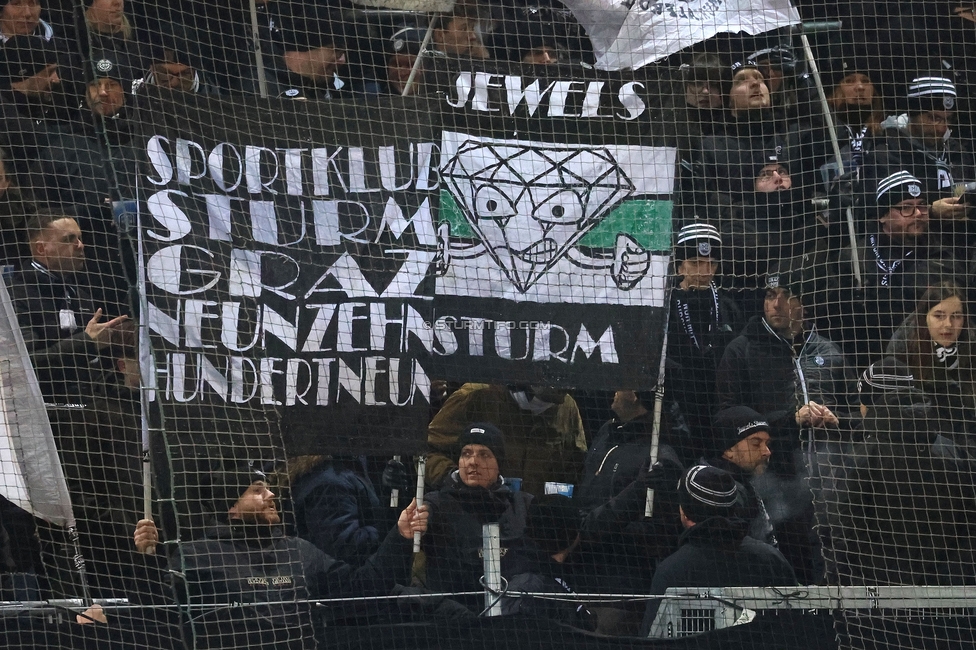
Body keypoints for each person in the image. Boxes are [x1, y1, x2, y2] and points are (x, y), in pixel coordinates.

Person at [133, 462, 428, 648]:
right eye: (257, 491)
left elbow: (364, 587)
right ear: (231, 508)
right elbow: (157, 612)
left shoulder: (298, 549)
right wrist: (147, 558)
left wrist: (398, 537)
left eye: (269, 489)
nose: (271, 495)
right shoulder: (196, 555)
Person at [638, 464, 796, 637]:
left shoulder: (671, 570)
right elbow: (794, 624)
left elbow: (653, 638)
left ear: (684, 511)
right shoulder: (772, 559)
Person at [574, 390, 684, 634]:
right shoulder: (607, 432)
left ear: (634, 395)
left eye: (622, 386)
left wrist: (604, 531)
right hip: (580, 577)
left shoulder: (660, 458)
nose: (614, 391)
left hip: (621, 592)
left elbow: (662, 532)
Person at [833, 170, 960, 369]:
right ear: (883, 215)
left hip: (930, 364)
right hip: (870, 364)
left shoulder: (943, 256)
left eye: (922, 207)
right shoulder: (854, 257)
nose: (918, 214)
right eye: (906, 208)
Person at [420, 423, 542, 613]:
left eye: (484, 454)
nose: (472, 462)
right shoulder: (436, 504)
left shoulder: (523, 505)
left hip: (513, 622)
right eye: (466, 453)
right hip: (454, 621)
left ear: (499, 463)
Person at [7, 211, 128, 400]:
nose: (81, 245)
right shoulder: (15, 296)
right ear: (41, 249)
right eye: (69, 239)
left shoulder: (80, 293)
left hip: (88, 405)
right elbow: (24, 364)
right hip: (43, 410)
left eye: (80, 237)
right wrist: (87, 343)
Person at [425, 383, 587, 498]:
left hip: (538, 527)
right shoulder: (476, 395)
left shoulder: (567, 407)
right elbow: (426, 449)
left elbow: (576, 466)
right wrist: (455, 479)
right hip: (474, 512)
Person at [665, 222, 742, 458]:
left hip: (719, 405)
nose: (705, 270)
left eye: (711, 263)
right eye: (696, 263)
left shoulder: (727, 306)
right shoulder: (664, 307)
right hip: (678, 406)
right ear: (680, 267)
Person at [863, 75, 976, 226]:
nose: (942, 128)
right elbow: (876, 215)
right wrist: (930, 212)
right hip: (913, 247)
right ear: (912, 114)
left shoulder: (957, 153)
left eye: (947, 120)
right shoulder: (887, 153)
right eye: (933, 118)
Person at [885, 281, 976, 441]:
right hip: (923, 432)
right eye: (939, 316)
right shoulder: (903, 346)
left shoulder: (971, 342)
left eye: (956, 316)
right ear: (924, 317)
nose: (948, 325)